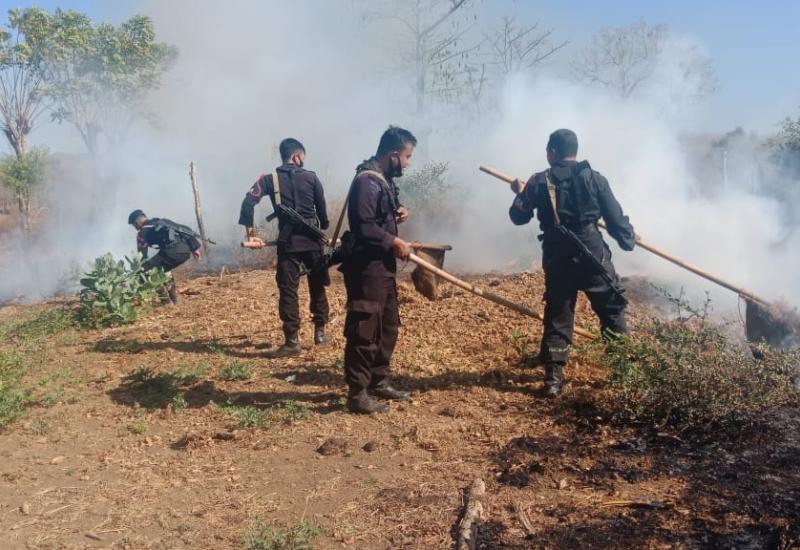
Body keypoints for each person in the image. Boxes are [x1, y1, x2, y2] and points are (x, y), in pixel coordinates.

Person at [509, 129, 636, 397]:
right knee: (611, 310)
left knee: (559, 315)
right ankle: (624, 372)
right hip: (593, 254)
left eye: (548, 151)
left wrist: (520, 193)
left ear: (552, 151)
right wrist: (628, 239)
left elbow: (518, 216)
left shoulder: (538, 182)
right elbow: (615, 219)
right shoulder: (595, 178)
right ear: (574, 151)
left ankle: (553, 378)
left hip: (558, 256)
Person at [339, 126, 416, 414]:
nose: (407, 164)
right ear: (393, 154)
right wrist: (393, 240)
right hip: (366, 268)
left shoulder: (383, 181)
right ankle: (358, 393)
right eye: (407, 157)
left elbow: (383, 213)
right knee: (365, 330)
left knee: (388, 326)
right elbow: (363, 225)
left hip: (383, 269)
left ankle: (378, 380)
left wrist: (400, 211)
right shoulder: (366, 182)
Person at [239, 138, 330, 357]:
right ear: (297, 156)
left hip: (288, 244)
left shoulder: (269, 180)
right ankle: (320, 333)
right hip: (313, 243)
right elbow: (323, 215)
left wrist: (251, 234)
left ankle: (292, 342)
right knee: (317, 286)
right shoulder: (312, 177)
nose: (303, 161)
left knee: (288, 291)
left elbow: (248, 202)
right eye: (303, 158)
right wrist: (322, 228)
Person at [127, 210, 202, 304]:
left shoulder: (141, 233)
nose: (135, 228)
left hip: (171, 253)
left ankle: (166, 301)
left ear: (137, 222)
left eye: (134, 225)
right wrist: (194, 248)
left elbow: (141, 256)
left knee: (144, 271)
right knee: (164, 268)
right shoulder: (163, 221)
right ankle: (175, 300)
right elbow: (185, 229)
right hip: (185, 251)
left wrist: (139, 269)